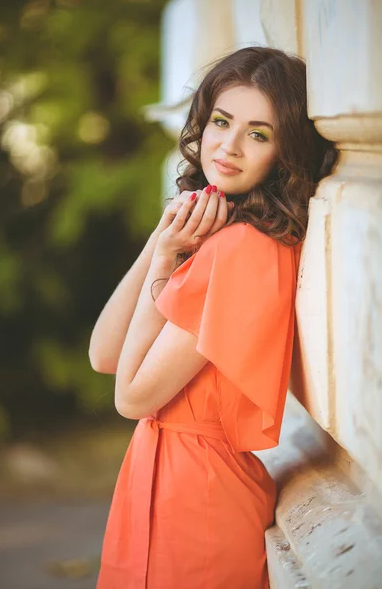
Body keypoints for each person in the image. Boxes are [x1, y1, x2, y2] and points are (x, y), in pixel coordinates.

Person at [89, 46, 338, 589]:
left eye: (258, 133)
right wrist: (166, 234)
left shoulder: (245, 249)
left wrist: (163, 260)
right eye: (221, 122)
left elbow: (131, 396)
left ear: (285, 151)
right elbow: (104, 354)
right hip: (162, 480)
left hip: (198, 500)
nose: (226, 145)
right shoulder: (221, 234)